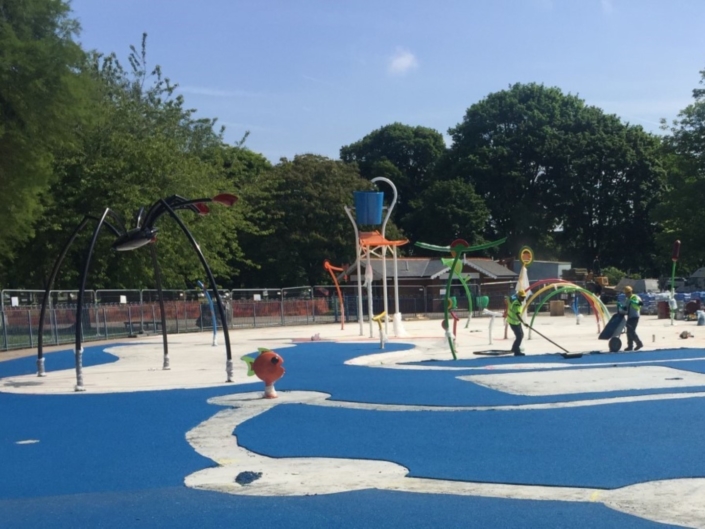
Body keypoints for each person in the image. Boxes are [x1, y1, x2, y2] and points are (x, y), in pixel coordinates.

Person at [621, 285, 643, 351]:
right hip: (630, 316)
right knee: (629, 332)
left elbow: (641, 304)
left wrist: (636, 302)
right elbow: (625, 307)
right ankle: (630, 346)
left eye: (626, 293)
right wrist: (621, 307)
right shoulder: (628, 299)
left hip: (635, 317)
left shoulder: (635, 297)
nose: (626, 295)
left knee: (631, 331)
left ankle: (639, 343)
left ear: (629, 292)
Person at [507, 290, 527, 356]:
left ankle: (514, 348)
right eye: (522, 297)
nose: (523, 299)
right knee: (519, 336)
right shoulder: (517, 304)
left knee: (521, 335)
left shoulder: (515, 299)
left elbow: (510, 297)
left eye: (524, 297)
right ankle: (516, 351)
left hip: (515, 321)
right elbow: (518, 315)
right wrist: (524, 323)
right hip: (513, 322)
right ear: (518, 296)